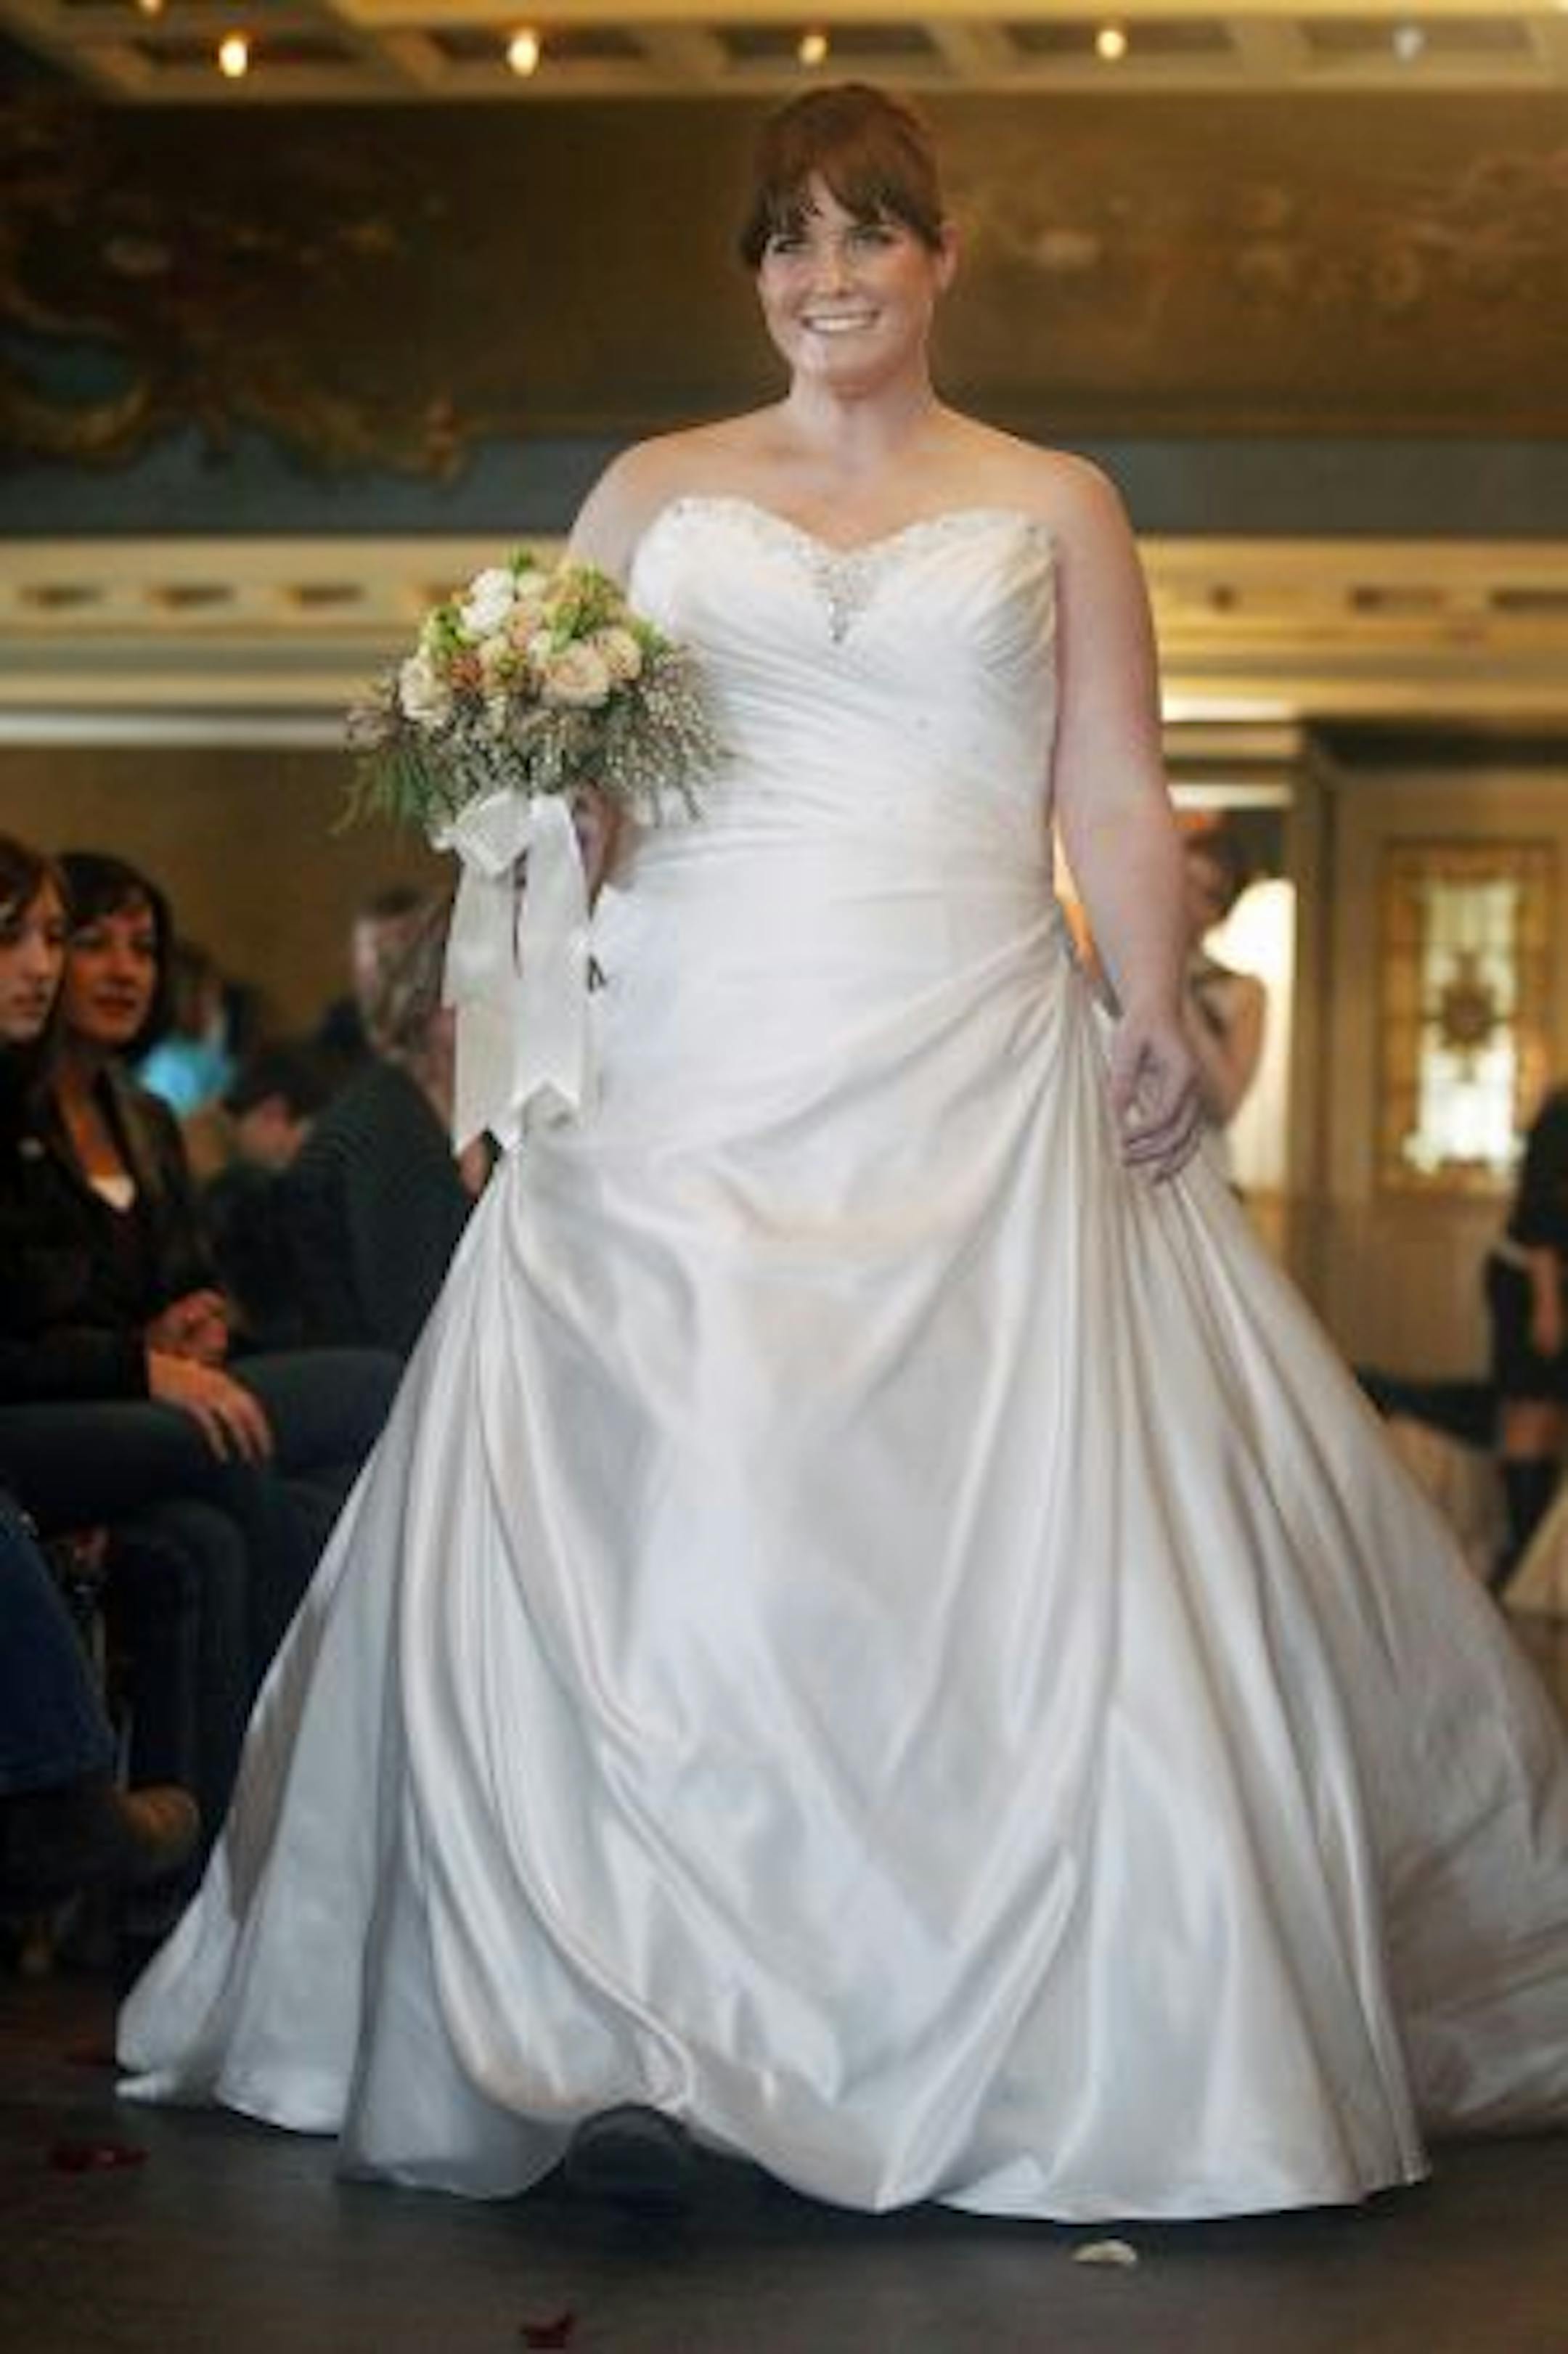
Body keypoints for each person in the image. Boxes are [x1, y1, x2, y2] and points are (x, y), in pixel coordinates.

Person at [120, 85, 1568, 2222]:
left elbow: (1108, 794)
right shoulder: (652, 488)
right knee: (676, 1485)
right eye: (791, 244)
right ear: (756, 274)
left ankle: (1030, 2019)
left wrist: (1153, 1003)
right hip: (687, 1058)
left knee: (1000, 1520)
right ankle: (618, 1999)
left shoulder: (1056, 500)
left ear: (941, 256)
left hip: (969, 1037)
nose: (829, 282)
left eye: (870, 238)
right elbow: (574, 798)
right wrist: (528, 797)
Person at [281, 904, 479, 1358]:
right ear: (431, 1000)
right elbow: (406, 1325)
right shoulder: (385, 1125)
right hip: (368, 1388)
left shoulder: (479, 1120)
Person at [1485, 1086, 1568, 1587]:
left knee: (1550, 1413)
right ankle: (1519, 1557)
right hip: (1528, 1283)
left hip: (1556, 1282)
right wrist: (1548, 1305)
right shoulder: (1560, 1113)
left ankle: (1533, 1560)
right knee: (1528, 1410)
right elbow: (1538, 1209)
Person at [1180, 824, 1267, 1178]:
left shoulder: (1243, 990)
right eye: (1182, 879)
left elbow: (1225, 1103)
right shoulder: (1113, 964)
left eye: (1205, 892)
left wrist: (1176, 995)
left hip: (1201, 1169)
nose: (1185, 898)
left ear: (1221, 912)